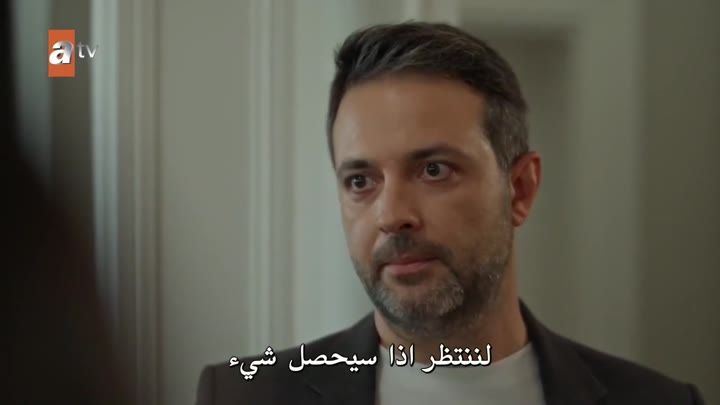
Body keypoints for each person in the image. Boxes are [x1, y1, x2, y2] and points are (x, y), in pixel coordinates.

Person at [195, 22, 706, 405]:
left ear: (520, 189)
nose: (392, 215)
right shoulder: (243, 396)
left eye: (434, 170)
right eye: (361, 181)